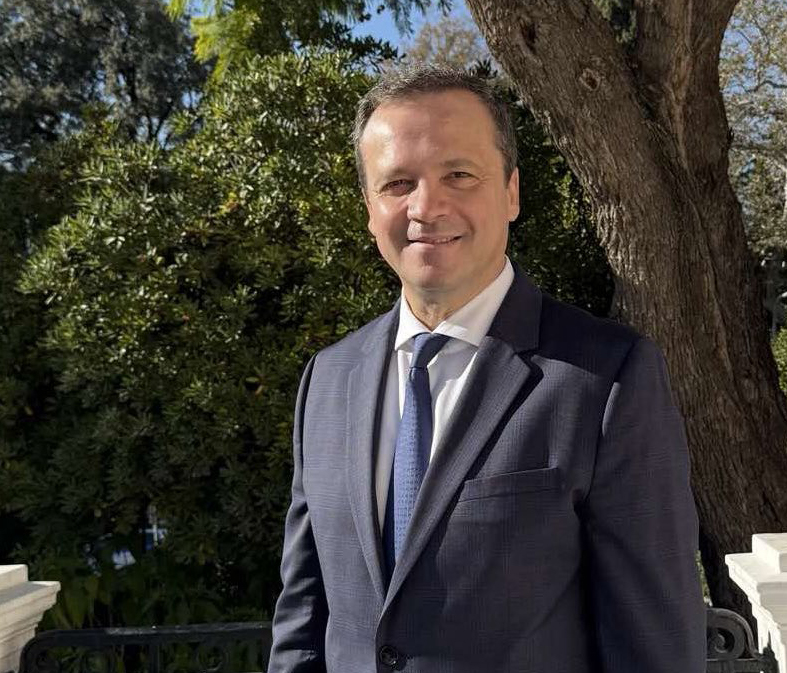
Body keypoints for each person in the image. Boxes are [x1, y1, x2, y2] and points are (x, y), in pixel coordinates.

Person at [267, 65, 706, 673]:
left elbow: (653, 645)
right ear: (369, 209)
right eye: (397, 183)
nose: (426, 207)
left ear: (511, 192)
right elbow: (303, 626)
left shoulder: (605, 378)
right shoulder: (327, 381)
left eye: (458, 175)